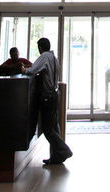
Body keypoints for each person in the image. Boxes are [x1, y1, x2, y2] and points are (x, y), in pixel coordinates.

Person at [22, 38, 72, 166]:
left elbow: (32, 70)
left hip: (47, 95)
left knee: (47, 128)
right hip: (55, 94)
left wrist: (24, 70)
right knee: (54, 126)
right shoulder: (54, 58)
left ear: (40, 47)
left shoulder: (44, 56)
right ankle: (56, 156)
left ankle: (63, 151)